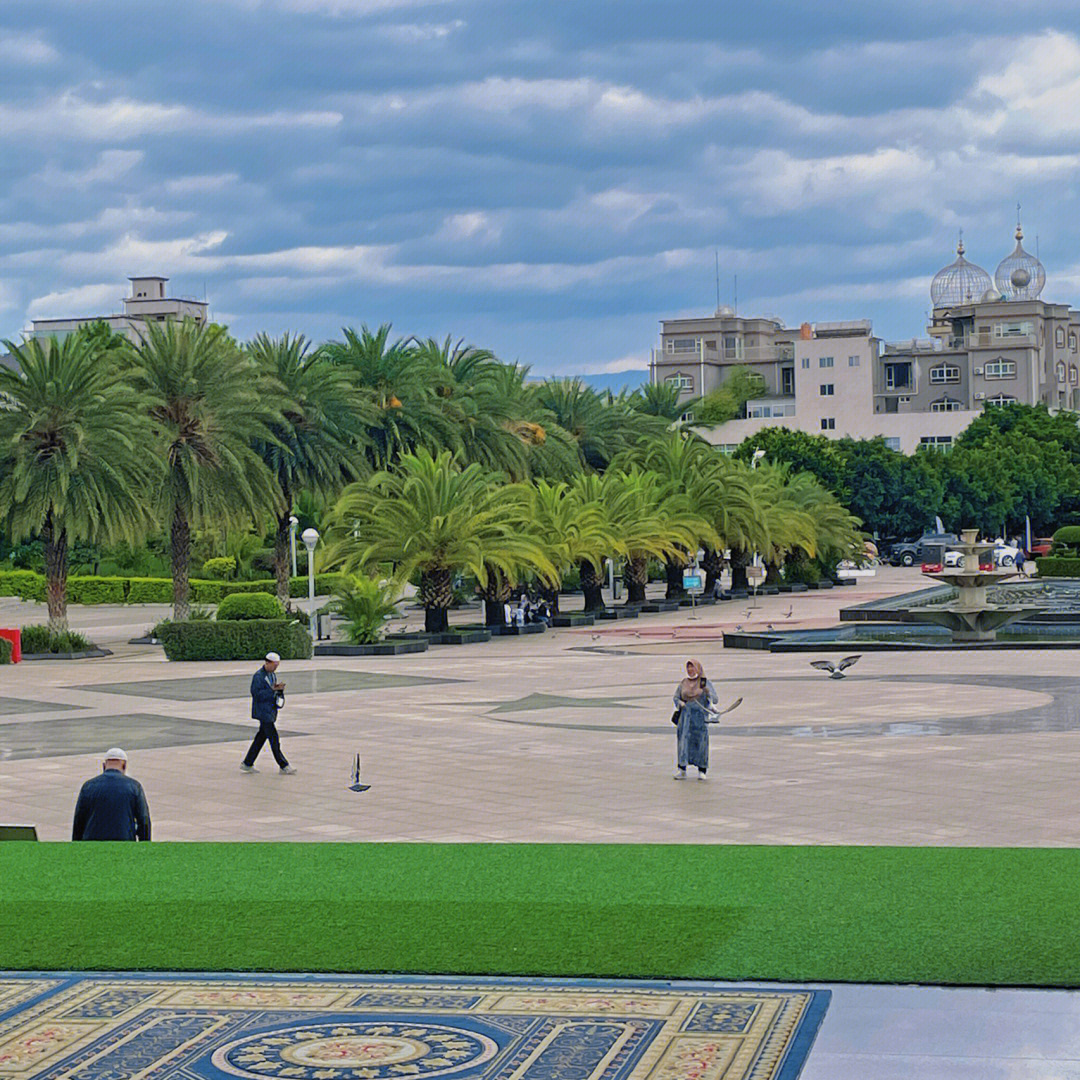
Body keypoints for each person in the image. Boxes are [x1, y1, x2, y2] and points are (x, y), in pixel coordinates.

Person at [72, 748, 151, 841]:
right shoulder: (134, 786)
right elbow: (143, 820)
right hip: (124, 842)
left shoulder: (88, 786)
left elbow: (79, 820)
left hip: (92, 843)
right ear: (124, 766)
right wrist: (145, 844)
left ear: (104, 766)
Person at [241, 652, 296, 774]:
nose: (276, 667)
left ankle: (247, 763)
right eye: (274, 665)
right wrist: (272, 690)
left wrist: (278, 690)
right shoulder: (259, 676)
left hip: (270, 711)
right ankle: (283, 764)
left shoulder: (272, 675)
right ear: (267, 663)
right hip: (263, 712)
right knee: (274, 738)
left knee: (260, 738)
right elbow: (256, 694)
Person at [672, 659, 718, 780]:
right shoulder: (684, 682)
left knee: (701, 742)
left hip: (699, 718)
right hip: (685, 719)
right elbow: (676, 697)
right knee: (684, 742)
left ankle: (702, 770)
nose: (690, 670)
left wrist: (708, 694)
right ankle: (682, 769)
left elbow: (714, 699)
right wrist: (680, 703)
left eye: (692, 667)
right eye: (688, 668)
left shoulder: (704, 682)